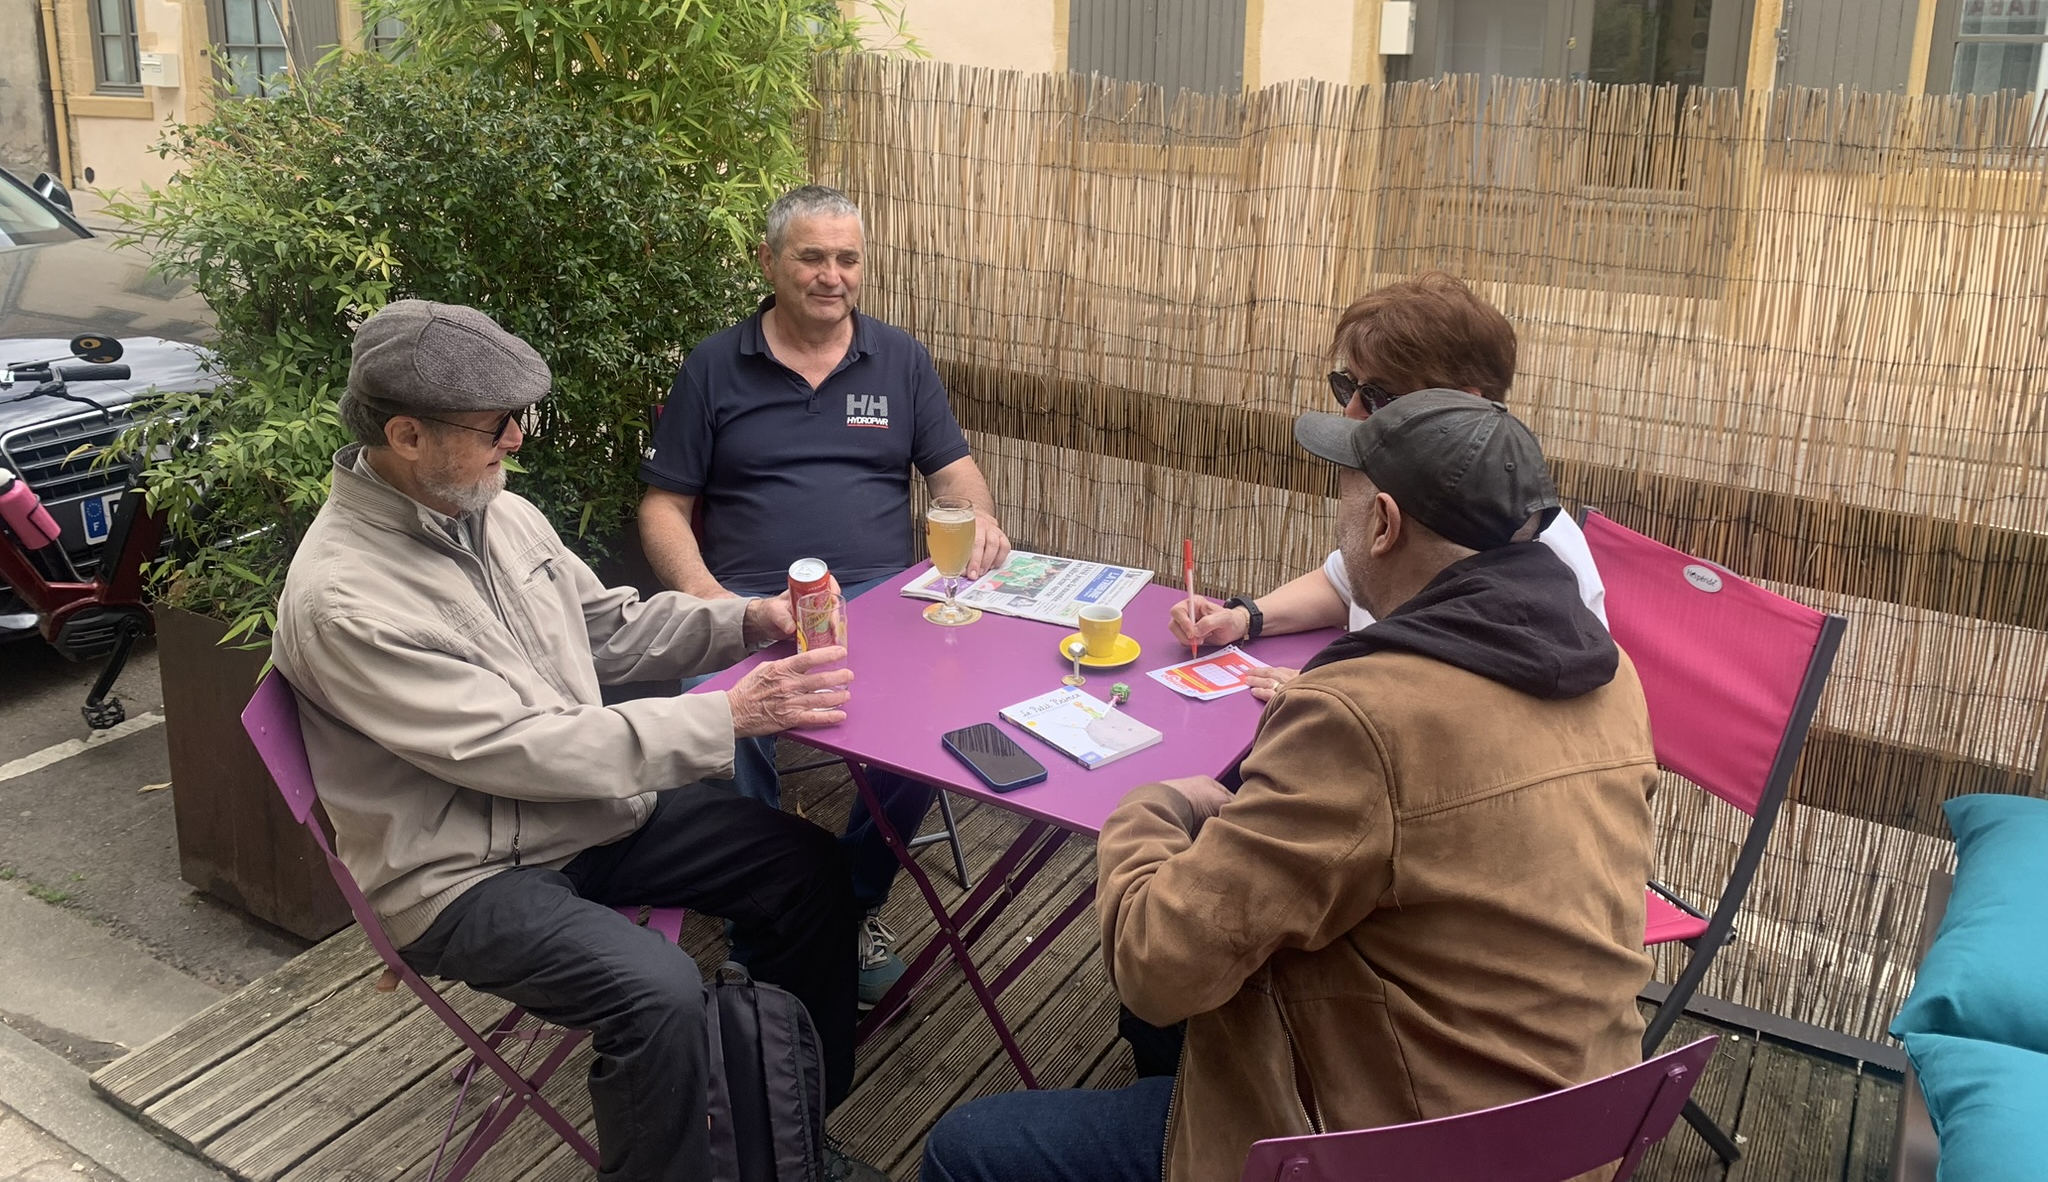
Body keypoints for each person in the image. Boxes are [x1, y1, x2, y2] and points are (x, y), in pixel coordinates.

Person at [921, 391, 1657, 1182]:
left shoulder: (1366, 717)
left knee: (964, 1149)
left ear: (1382, 521)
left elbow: (1153, 960)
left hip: (1395, 1148)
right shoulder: (1609, 676)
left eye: (1342, 485)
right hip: (1576, 1122)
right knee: (1187, 1008)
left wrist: (1154, 804)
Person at [275, 300, 883, 1182]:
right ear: (405, 435)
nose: (516, 441)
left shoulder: (493, 511)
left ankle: (787, 1139)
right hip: (461, 873)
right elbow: (521, 748)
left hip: (583, 813)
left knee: (810, 871)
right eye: (495, 425)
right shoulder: (344, 598)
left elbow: (607, 629)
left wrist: (748, 621)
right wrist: (729, 716)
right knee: (660, 994)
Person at [638, 184, 1012, 1005]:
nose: (831, 275)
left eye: (847, 258)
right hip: (745, 604)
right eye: (811, 257)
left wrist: (978, 518)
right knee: (730, 722)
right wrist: (708, 603)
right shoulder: (713, 366)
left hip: (881, 603)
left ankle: (853, 897)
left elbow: (953, 473)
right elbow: (663, 505)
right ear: (769, 262)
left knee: (942, 716)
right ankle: (764, 913)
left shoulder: (901, 359)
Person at [1169, 272, 1606, 698]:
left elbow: (1465, 703)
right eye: (1349, 386)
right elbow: (1345, 583)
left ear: (1462, 405)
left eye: (1379, 395)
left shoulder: (1539, 567)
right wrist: (1245, 617)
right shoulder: (1414, 492)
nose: (1353, 410)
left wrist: (1336, 694)